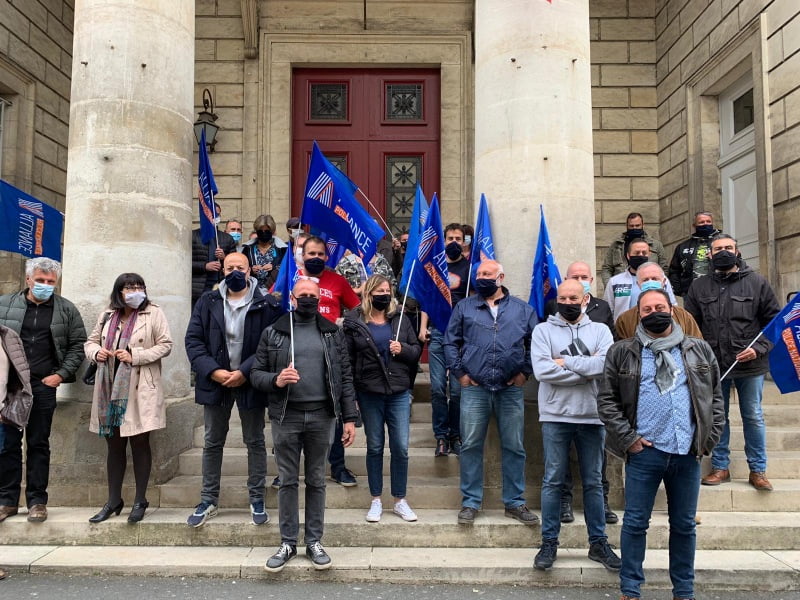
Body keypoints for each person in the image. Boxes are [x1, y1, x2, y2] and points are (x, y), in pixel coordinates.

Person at [598, 288, 725, 600]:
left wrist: (707, 440)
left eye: (659, 306)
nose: (653, 312)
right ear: (638, 314)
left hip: (686, 453)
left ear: (673, 309)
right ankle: (630, 588)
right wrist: (629, 440)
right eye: (646, 309)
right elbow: (607, 401)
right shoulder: (622, 352)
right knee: (635, 523)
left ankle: (683, 590)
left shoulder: (699, 349)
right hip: (645, 452)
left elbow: (716, 399)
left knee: (683, 526)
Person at [251, 279, 358, 572]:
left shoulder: (332, 332)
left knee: (317, 481)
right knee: (287, 481)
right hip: (287, 416)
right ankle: (287, 542)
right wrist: (276, 379)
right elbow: (256, 373)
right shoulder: (274, 332)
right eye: (303, 295)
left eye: (313, 295)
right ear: (293, 298)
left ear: (319, 298)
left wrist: (350, 418)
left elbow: (344, 378)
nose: (308, 299)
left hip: (323, 417)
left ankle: (314, 541)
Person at [184, 252, 282, 527]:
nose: (235, 271)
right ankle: (208, 500)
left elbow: (271, 344)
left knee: (255, 441)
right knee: (213, 441)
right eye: (230, 267)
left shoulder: (267, 303)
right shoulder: (208, 300)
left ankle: (256, 498)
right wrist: (213, 370)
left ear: (250, 269)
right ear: (223, 270)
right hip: (215, 381)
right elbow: (193, 340)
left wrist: (244, 372)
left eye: (240, 266)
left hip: (250, 381)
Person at [531, 279, 620, 572]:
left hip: (592, 416)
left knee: (594, 482)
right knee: (553, 480)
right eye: (563, 297)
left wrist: (565, 363)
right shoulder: (543, 330)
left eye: (573, 298)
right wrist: (585, 368)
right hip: (555, 416)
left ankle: (598, 543)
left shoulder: (601, 330)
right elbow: (542, 371)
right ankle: (549, 542)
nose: (567, 302)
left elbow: (605, 367)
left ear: (585, 299)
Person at [684, 234, 781, 491]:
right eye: (718, 249)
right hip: (714, 366)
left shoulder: (758, 283)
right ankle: (720, 467)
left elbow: (774, 324)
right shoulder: (699, 287)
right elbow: (690, 327)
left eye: (728, 247)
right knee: (718, 417)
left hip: (750, 364)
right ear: (710, 254)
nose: (724, 252)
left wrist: (759, 349)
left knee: (753, 416)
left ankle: (758, 470)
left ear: (737, 251)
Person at [445, 260, 538, 525]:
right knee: (472, 444)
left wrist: (524, 373)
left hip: (510, 389)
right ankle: (471, 502)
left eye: (487, 274)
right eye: (478, 274)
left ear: (500, 277)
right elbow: (451, 343)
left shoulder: (522, 310)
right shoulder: (464, 307)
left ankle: (515, 502)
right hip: (475, 388)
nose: (481, 277)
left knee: (515, 446)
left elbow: (536, 343)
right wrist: (461, 374)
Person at [0, 258, 86, 524]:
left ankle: (37, 501)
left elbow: (77, 344)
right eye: (40, 280)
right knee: (7, 444)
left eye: (50, 282)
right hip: (11, 386)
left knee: (39, 443)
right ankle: (6, 501)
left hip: (43, 384)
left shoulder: (65, 309)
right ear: (28, 279)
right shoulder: (5, 304)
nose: (45, 286)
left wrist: (60, 375)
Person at [84, 273, 173, 523]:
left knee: (140, 442)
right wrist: (96, 352)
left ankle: (140, 499)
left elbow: (166, 344)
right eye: (129, 287)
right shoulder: (107, 315)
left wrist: (136, 355)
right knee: (113, 445)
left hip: (138, 387)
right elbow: (90, 342)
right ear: (119, 291)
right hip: (108, 387)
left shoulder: (153, 312)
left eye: (139, 286)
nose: (135, 291)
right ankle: (113, 500)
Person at [343, 275, 421, 523]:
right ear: (368, 293)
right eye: (379, 290)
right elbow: (348, 360)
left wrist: (404, 349)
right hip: (369, 392)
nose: (384, 294)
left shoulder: (400, 319)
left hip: (398, 392)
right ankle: (376, 498)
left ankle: (400, 499)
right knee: (375, 446)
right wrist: (352, 395)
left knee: (400, 447)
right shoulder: (354, 322)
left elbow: (416, 351)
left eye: (387, 290)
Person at [299, 236, 361, 486]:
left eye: (320, 254)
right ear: (302, 255)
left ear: (327, 256)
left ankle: (337, 466)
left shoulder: (337, 280)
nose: (315, 258)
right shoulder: (292, 276)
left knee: (334, 412)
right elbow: (277, 301)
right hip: (298, 352)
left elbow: (356, 308)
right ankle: (289, 470)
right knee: (296, 415)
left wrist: (344, 325)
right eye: (310, 253)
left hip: (330, 352)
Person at [422, 222, 471, 457]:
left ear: (464, 242)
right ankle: (441, 437)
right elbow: (428, 300)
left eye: (458, 238)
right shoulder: (436, 267)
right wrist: (423, 327)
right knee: (438, 388)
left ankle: (456, 435)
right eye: (449, 238)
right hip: (439, 332)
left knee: (459, 390)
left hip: (462, 335)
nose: (453, 242)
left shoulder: (470, 269)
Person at [615, 263, 702, 339]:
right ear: (638, 284)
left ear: (664, 282)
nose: (650, 282)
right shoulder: (625, 319)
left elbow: (697, 346)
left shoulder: (683, 316)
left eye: (654, 279)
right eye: (645, 280)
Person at [0, 323, 33, 526]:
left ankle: (7, 502)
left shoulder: (7, 335)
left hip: (4, 406)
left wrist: (12, 402)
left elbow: (19, 370)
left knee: (7, 452)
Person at [604, 238, 677, 321]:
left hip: (657, 327)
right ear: (628, 255)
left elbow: (673, 305)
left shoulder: (661, 278)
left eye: (644, 253)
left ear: (649, 254)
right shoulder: (615, 282)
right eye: (637, 253)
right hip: (625, 330)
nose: (640, 255)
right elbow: (608, 310)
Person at [600, 212, 668, 285]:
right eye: (631, 226)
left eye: (637, 225)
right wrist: (610, 286)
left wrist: (659, 285)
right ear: (627, 226)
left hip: (649, 285)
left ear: (643, 225)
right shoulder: (616, 245)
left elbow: (664, 268)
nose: (634, 228)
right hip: (622, 288)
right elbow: (607, 268)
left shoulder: (656, 245)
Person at [191, 202, 237, 307]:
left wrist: (224, 258)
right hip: (197, 289)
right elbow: (184, 264)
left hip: (221, 288)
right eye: (212, 214)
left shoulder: (227, 238)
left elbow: (236, 264)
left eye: (218, 214)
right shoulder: (193, 236)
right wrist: (204, 266)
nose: (215, 217)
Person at [668, 211, 720, 296]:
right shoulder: (683, 246)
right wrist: (680, 291)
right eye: (701, 222)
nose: (705, 224)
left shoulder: (722, 243)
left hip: (717, 290)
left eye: (708, 221)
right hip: (691, 294)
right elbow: (674, 270)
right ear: (694, 225)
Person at [242, 214, 287, 295]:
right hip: (252, 291)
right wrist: (251, 269)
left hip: (275, 290)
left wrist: (274, 267)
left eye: (267, 231)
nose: (264, 233)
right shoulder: (247, 249)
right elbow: (241, 267)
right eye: (260, 231)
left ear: (272, 231)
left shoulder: (281, 249)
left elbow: (286, 267)